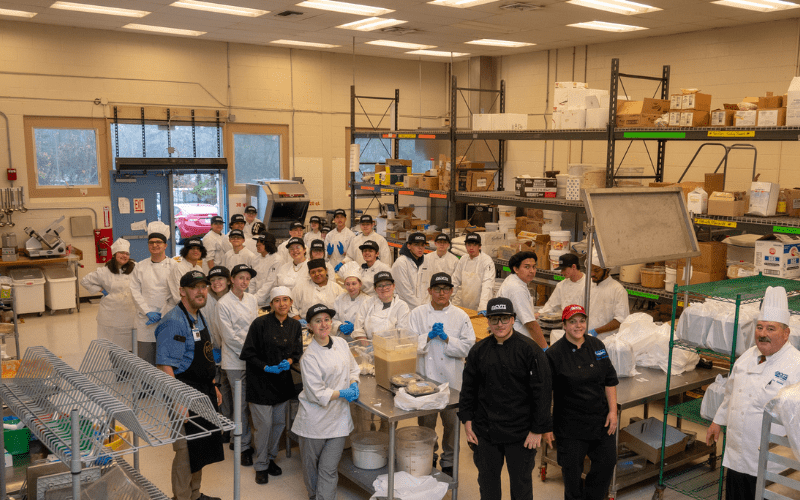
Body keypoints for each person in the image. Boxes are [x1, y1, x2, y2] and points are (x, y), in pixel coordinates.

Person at [706, 286, 800, 500]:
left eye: (771, 328)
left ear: (786, 333)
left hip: (773, 464)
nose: (763, 334)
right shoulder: (747, 356)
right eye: (760, 327)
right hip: (737, 455)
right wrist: (717, 421)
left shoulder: (796, 365)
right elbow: (731, 393)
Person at [459, 297, 553, 500]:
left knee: (521, 488)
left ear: (513, 319)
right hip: (486, 431)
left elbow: (543, 392)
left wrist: (538, 430)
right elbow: (468, 389)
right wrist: (467, 422)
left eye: (504, 319)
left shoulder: (530, 350)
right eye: (494, 320)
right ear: (488, 322)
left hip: (521, 434)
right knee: (488, 485)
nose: (499, 324)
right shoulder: (478, 351)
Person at [154, 270, 224, 500]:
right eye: (194, 287)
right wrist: (178, 402)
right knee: (185, 451)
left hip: (202, 390)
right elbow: (165, 366)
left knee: (200, 446)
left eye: (203, 286)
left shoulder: (198, 314)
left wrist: (212, 384)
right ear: (182, 291)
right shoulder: (174, 321)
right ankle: (182, 497)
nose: (201, 291)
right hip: (182, 391)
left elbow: (203, 354)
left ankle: (194, 495)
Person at [545, 304, 619, 500]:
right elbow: (544, 392)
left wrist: (613, 412)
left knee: (607, 462)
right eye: (572, 321)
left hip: (599, 420)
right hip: (570, 426)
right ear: (564, 325)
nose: (578, 325)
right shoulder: (554, 354)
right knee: (571, 476)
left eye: (582, 320)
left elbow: (609, 380)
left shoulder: (597, 346)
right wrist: (545, 425)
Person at [291, 303, 361, 500]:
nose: (323, 324)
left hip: (338, 420)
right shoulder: (309, 357)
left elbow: (353, 369)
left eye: (326, 320)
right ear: (310, 327)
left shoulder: (341, 343)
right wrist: (343, 393)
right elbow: (316, 393)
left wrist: (354, 383)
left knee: (328, 469)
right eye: (317, 321)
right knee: (311, 468)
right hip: (314, 422)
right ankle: (314, 496)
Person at [410, 272, 476, 477]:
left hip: (452, 382)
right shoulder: (417, 313)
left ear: (451, 292)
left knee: (452, 426)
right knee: (426, 426)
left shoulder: (461, 316)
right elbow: (408, 344)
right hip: (424, 381)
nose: (441, 293)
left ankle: (449, 462)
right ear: (429, 291)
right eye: (437, 289)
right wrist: (426, 338)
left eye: (446, 289)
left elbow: (468, 347)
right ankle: (429, 457)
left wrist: (448, 340)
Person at [239, 286, 302, 485]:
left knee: (278, 424)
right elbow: (248, 353)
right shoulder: (260, 324)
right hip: (260, 382)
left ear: (291, 302)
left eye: (286, 300)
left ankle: (271, 458)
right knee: (264, 426)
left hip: (282, 382)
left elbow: (297, 352)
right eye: (277, 300)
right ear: (271, 304)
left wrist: (289, 363)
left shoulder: (295, 325)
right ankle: (261, 465)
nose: (282, 304)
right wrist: (266, 367)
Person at [216, 263, 259, 466]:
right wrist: (251, 353)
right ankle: (243, 447)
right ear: (231, 279)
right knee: (240, 405)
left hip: (251, 357)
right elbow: (229, 337)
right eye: (240, 277)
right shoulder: (223, 303)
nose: (244, 282)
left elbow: (255, 328)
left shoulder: (251, 299)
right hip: (234, 360)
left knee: (242, 403)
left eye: (247, 278)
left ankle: (236, 438)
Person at [130, 221, 176, 364]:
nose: (155, 245)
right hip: (145, 320)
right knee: (146, 358)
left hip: (168, 318)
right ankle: (147, 386)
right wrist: (147, 311)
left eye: (158, 242)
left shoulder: (174, 266)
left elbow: (175, 294)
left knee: (167, 359)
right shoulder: (140, 266)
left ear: (165, 245)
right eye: (151, 242)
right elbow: (134, 291)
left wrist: (162, 313)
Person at [80, 237, 136, 350]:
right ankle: (116, 364)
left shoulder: (136, 268)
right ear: (114, 254)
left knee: (130, 345)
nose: (124, 256)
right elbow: (85, 281)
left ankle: (129, 366)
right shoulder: (104, 271)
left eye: (127, 253)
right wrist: (101, 290)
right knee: (114, 345)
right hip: (111, 316)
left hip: (130, 314)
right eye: (121, 253)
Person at [496, 251, 547, 349]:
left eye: (534, 267)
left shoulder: (514, 280)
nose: (532, 271)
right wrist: (544, 348)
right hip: (516, 342)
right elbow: (530, 324)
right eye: (527, 267)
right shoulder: (517, 288)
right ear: (516, 269)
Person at [204, 265, 233, 442]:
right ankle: (216, 425)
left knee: (228, 392)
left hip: (230, 351)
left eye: (220, 279)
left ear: (229, 281)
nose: (216, 283)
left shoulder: (233, 299)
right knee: (213, 391)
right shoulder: (204, 298)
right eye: (213, 280)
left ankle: (228, 428)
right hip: (210, 351)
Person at [352, 271, 411, 340]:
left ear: (393, 286)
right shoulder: (367, 303)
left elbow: (403, 333)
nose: (384, 288)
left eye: (388, 284)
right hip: (369, 345)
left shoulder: (402, 306)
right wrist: (366, 345)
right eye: (380, 285)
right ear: (375, 289)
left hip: (392, 347)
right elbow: (358, 328)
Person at [586, 249, 629, 337]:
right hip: (586, 336)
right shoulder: (587, 285)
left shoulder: (618, 290)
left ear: (607, 270)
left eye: (597, 270)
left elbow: (620, 320)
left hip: (607, 340)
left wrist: (596, 331)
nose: (592, 274)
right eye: (590, 270)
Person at [452, 233, 495, 315]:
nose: (471, 248)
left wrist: (483, 307)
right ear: (465, 246)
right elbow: (455, 280)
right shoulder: (463, 259)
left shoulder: (487, 261)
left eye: (474, 245)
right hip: (464, 305)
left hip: (479, 307)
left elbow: (487, 285)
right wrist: (446, 299)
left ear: (479, 246)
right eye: (469, 245)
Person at [536, 253, 588, 320]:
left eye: (564, 269)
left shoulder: (588, 284)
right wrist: (539, 314)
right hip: (566, 324)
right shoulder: (561, 285)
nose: (561, 272)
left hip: (583, 324)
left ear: (573, 267)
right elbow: (552, 305)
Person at [391, 232, 430, 310]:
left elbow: (427, 287)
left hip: (423, 308)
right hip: (405, 308)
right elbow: (404, 292)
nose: (420, 248)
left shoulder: (426, 261)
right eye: (416, 245)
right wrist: (419, 308)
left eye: (422, 245)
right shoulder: (401, 263)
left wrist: (426, 307)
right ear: (409, 246)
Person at [333, 263, 369, 336]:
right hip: (343, 338)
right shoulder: (339, 299)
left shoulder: (368, 301)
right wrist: (340, 326)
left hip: (361, 338)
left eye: (354, 283)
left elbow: (371, 323)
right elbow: (333, 319)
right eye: (348, 284)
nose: (351, 287)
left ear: (360, 284)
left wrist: (356, 327)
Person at [168, 238, 206, 304]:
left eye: (198, 249)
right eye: (192, 248)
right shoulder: (178, 268)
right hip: (179, 308)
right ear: (185, 251)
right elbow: (178, 296)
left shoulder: (199, 269)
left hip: (194, 306)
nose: (195, 251)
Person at [251, 233, 282, 307]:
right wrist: (251, 296)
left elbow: (270, 282)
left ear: (269, 244)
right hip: (255, 299)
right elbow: (252, 281)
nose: (258, 244)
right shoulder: (255, 259)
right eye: (257, 242)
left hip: (270, 301)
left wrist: (256, 298)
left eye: (261, 242)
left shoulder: (277, 259)